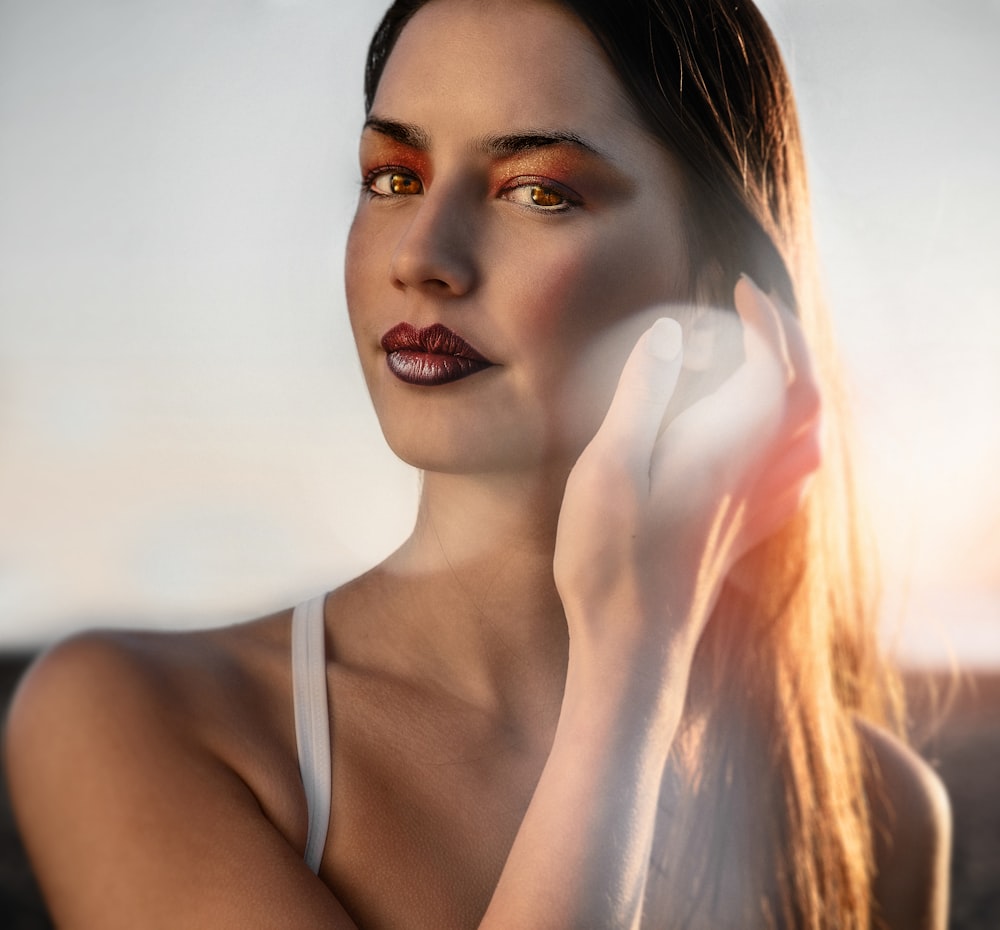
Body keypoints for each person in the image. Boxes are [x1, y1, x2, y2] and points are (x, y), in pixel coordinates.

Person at [4, 0, 951, 927]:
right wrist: (629, 670)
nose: (422, 255)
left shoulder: (873, 814)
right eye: (393, 177)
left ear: (719, 280)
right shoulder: (129, 717)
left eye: (539, 191)